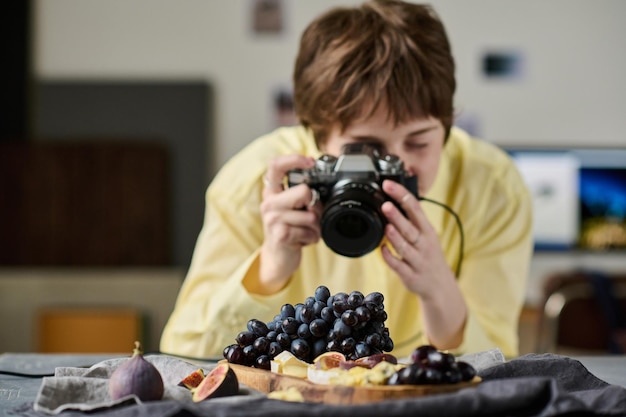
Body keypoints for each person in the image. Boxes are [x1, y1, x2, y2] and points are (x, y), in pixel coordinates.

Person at [160, 0, 533, 360]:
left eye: (419, 142)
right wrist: (269, 269)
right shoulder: (253, 179)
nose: (395, 168)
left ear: (448, 129)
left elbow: (502, 369)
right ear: (315, 138)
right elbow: (186, 354)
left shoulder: (494, 188)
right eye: (366, 149)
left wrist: (440, 293)